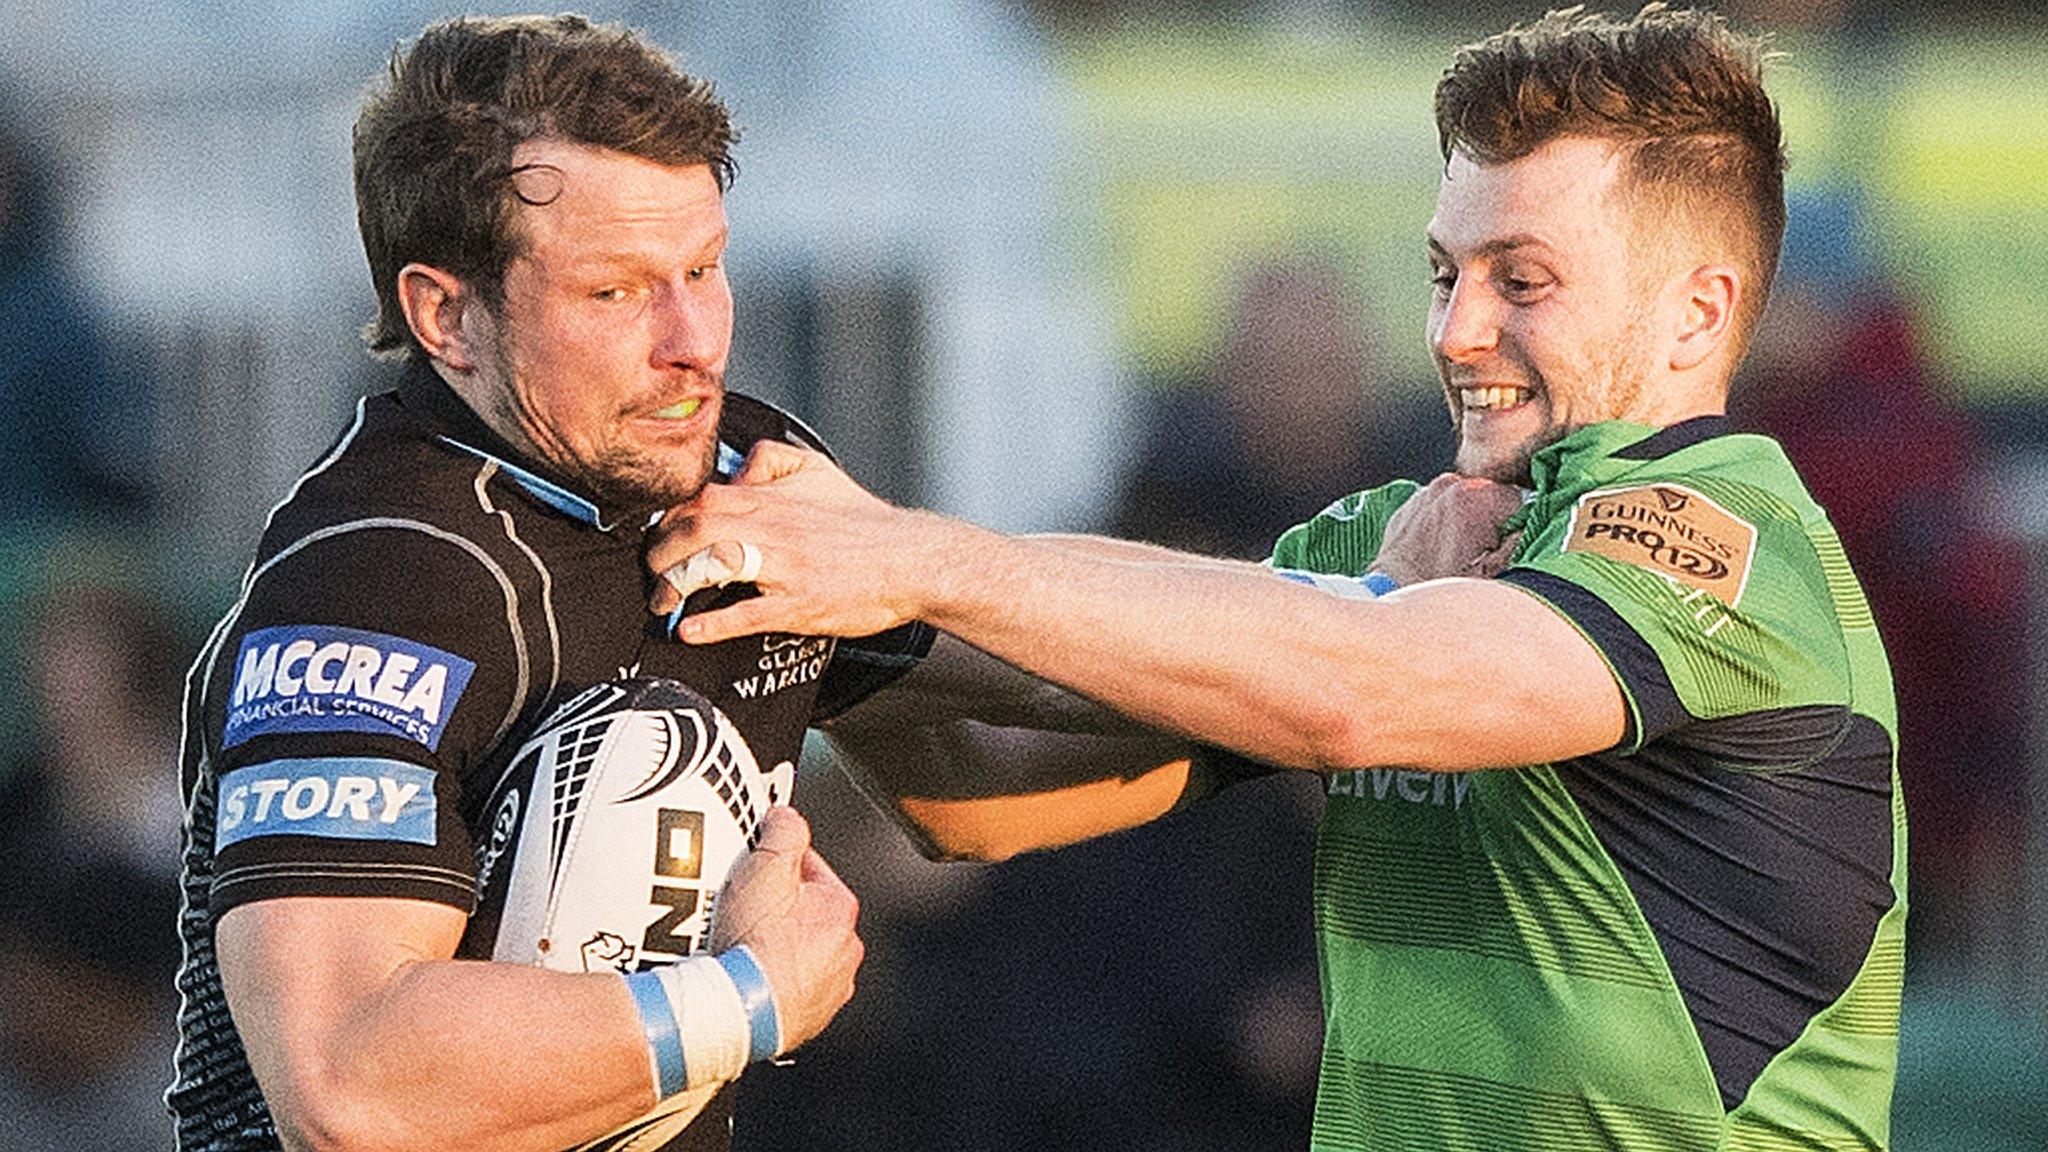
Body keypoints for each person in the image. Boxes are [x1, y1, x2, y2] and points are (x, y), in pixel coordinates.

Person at [650, 6, 1906, 1149]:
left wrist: (907, 557)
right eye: (1441, 271)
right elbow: (978, 789)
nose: (1454, 330)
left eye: (1519, 279)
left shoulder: (1732, 542)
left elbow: (1363, 690)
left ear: (1696, 314)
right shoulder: (1392, 551)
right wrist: (806, 607)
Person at [169, 16, 931, 1152]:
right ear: (445, 315)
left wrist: (1280, 668)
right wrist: (750, 999)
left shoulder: (742, 475)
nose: (694, 342)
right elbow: (347, 1084)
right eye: (614, 294)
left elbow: (994, 774)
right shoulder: (381, 574)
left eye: (704, 270)